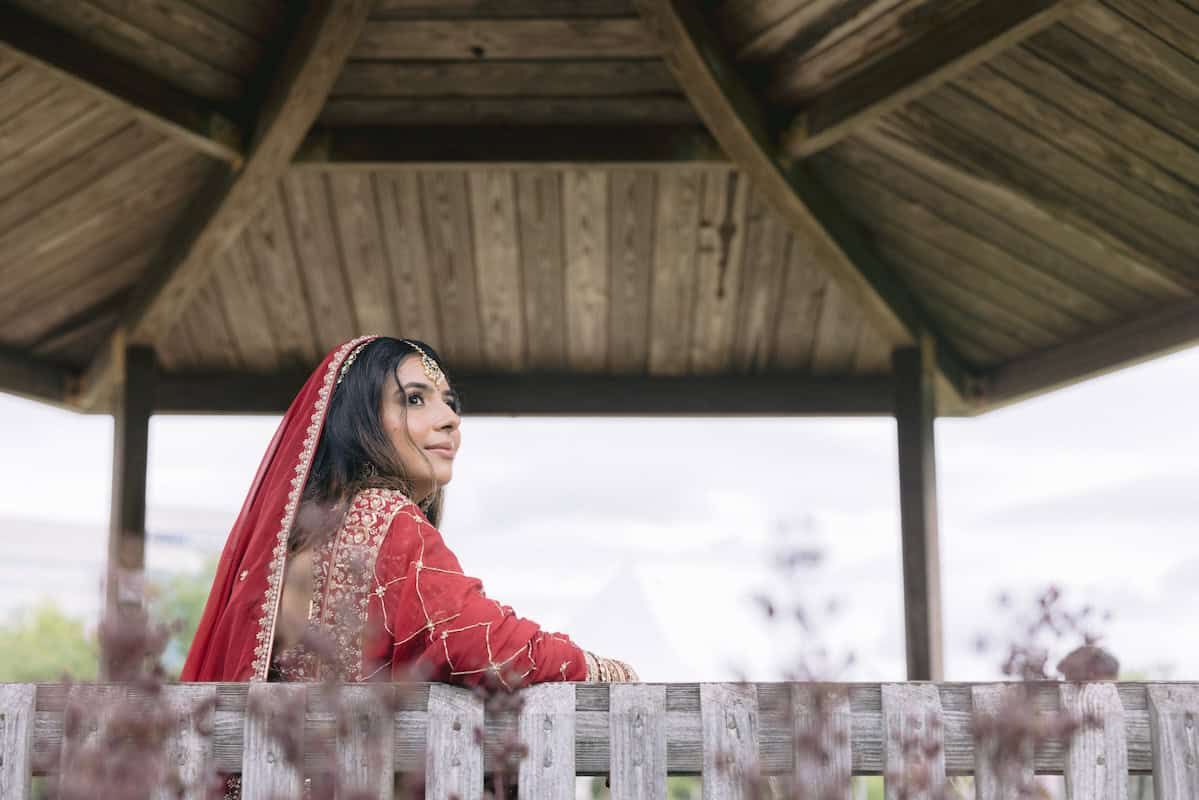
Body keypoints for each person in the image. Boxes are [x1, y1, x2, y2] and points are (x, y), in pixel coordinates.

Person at [182, 335, 637, 687]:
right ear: (359, 420)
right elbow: (481, 642)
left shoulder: (303, 539)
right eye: (415, 399)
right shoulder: (383, 519)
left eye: (449, 402)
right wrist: (607, 672)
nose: (450, 419)